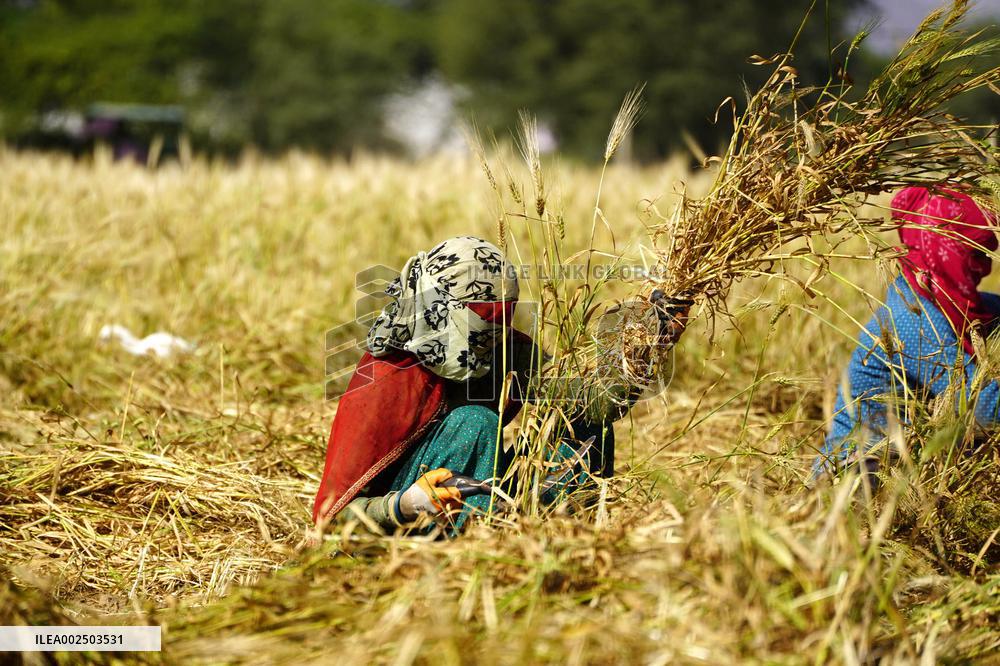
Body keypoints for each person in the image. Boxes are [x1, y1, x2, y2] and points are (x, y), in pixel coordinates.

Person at [313, 236, 688, 534]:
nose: (492, 342)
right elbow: (330, 523)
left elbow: (590, 403)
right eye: (483, 330)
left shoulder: (503, 351)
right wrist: (405, 505)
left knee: (588, 429)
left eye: (498, 330)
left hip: (478, 490)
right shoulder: (385, 381)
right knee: (476, 423)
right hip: (408, 517)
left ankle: (560, 532)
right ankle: (482, 542)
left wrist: (641, 344)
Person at [814, 186, 1000, 480]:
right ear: (942, 251)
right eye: (974, 253)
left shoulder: (942, 301)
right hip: (856, 467)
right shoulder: (914, 318)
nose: (984, 267)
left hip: (908, 459)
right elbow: (984, 409)